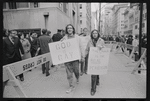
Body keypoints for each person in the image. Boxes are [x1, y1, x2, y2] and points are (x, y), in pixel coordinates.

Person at [61, 24, 84, 94]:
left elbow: (81, 47)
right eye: (68, 28)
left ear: (73, 29)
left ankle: (77, 77)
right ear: (67, 30)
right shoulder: (64, 38)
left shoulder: (78, 37)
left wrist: (82, 56)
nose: (69, 29)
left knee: (76, 71)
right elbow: (61, 47)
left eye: (71, 28)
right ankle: (71, 86)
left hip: (75, 58)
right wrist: (61, 42)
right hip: (67, 59)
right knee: (69, 73)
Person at [83, 29, 105, 96]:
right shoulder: (89, 41)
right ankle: (93, 89)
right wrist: (84, 56)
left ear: (98, 34)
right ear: (92, 34)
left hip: (99, 59)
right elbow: (87, 49)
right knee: (93, 74)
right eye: (93, 33)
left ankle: (97, 80)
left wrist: (102, 48)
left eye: (96, 33)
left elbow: (105, 49)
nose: (94, 34)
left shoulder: (101, 41)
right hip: (92, 60)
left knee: (97, 72)